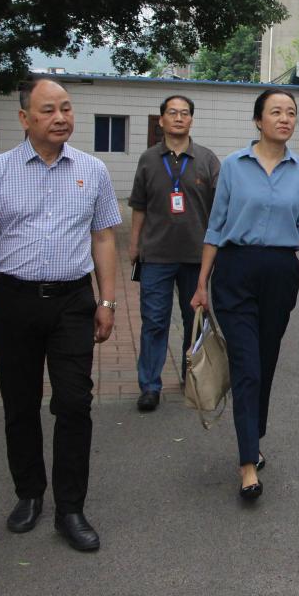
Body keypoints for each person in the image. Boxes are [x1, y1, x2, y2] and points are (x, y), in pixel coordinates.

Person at [0, 78, 121, 552]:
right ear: (25, 118)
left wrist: (106, 301)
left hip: (73, 301)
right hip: (14, 300)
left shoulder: (92, 170)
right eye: (48, 110)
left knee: (74, 402)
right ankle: (29, 493)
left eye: (66, 108)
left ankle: (71, 508)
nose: (61, 118)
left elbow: (104, 238)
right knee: (20, 403)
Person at [190, 89, 299, 501]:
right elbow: (216, 225)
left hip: (281, 273)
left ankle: (254, 435)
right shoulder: (233, 166)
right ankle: (247, 462)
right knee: (247, 363)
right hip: (234, 272)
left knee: (265, 362)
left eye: (291, 113)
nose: (285, 119)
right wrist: (201, 282)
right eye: (276, 112)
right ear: (258, 120)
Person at [128, 94, 221, 411]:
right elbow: (139, 206)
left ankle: (191, 376)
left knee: (195, 320)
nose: (179, 117)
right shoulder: (148, 159)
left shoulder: (207, 160)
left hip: (197, 258)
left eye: (185, 113)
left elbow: (220, 209)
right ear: (162, 120)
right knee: (154, 321)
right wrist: (133, 244)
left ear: (191, 119)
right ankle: (150, 386)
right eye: (173, 113)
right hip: (155, 255)